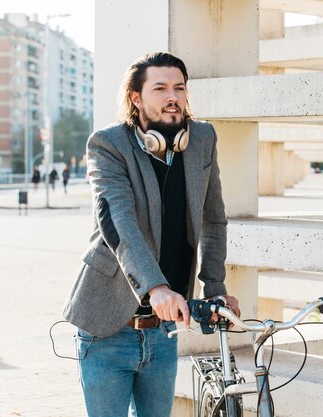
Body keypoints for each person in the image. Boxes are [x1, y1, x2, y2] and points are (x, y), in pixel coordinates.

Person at [62, 52, 240, 417]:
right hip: (106, 326)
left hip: (164, 331)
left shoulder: (203, 138)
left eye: (179, 87)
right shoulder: (108, 144)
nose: (172, 96)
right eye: (159, 88)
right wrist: (155, 287)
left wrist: (216, 289)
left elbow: (213, 220)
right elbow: (118, 222)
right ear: (136, 98)